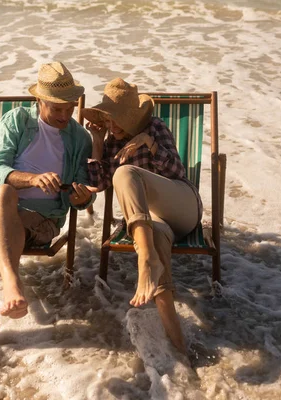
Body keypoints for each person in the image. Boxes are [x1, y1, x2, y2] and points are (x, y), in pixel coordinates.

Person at [0, 61, 95, 325]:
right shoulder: (17, 120)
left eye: (70, 107)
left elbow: (83, 191)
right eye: (57, 108)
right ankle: (11, 281)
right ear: (39, 100)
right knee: (5, 193)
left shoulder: (81, 139)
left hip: (39, 220)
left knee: (1, 231)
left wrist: (82, 197)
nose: (65, 115)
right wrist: (32, 179)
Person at [83, 78, 202, 354]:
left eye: (117, 119)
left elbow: (176, 172)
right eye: (108, 119)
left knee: (124, 173)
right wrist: (98, 143)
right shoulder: (111, 141)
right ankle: (180, 349)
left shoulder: (154, 127)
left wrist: (149, 144)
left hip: (181, 206)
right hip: (149, 223)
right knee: (154, 247)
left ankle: (145, 259)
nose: (112, 125)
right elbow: (98, 185)